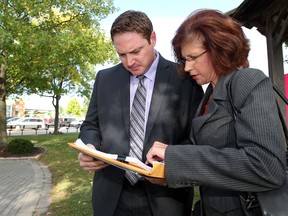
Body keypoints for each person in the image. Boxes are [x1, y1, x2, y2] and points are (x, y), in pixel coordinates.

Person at [146, 9, 287, 216]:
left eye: (193, 57)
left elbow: (266, 166)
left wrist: (178, 158)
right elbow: (209, 150)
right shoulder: (209, 93)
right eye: (184, 59)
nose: (186, 67)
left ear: (220, 48)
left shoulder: (247, 81)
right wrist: (167, 163)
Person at [77, 10, 203, 216]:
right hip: (111, 196)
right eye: (122, 54)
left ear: (152, 38)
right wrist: (90, 146)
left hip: (166, 198)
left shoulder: (185, 78)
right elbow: (91, 125)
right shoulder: (105, 78)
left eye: (136, 51)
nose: (129, 62)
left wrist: (170, 162)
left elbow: (197, 137)